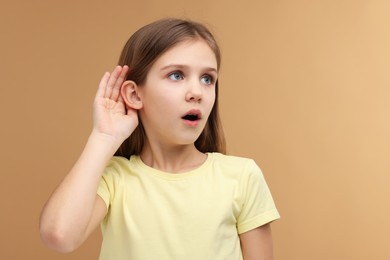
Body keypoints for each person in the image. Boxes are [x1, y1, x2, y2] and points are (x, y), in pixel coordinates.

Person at [39, 18, 280, 260]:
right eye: (176, 75)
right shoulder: (114, 178)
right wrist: (103, 136)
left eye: (207, 79)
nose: (197, 92)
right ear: (134, 94)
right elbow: (59, 235)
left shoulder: (242, 176)